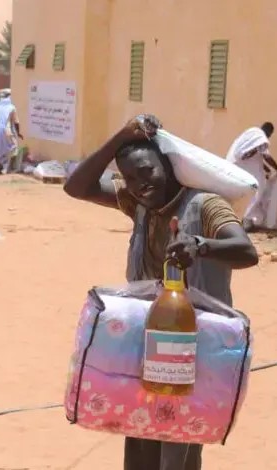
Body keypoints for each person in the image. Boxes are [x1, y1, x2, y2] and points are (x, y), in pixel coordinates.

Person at [63, 115, 259, 470]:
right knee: (139, 434)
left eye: (147, 172)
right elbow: (75, 187)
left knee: (179, 443)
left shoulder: (205, 205)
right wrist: (121, 135)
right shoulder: (138, 204)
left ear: (167, 166)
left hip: (192, 346)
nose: (140, 185)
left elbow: (246, 251)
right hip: (144, 341)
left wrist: (199, 245)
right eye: (130, 178)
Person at [226, 122, 277, 231]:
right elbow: (266, 156)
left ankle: (243, 219)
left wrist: (267, 169)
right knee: (257, 191)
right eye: (270, 134)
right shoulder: (260, 137)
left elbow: (256, 156)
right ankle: (246, 219)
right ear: (268, 131)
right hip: (244, 169)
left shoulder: (252, 134)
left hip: (236, 165)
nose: (269, 137)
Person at [0, 90, 22, 174]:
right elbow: (16, 122)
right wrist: (18, 133)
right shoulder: (11, 107)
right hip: (6, 131)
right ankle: (10, 170)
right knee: (14, 147)